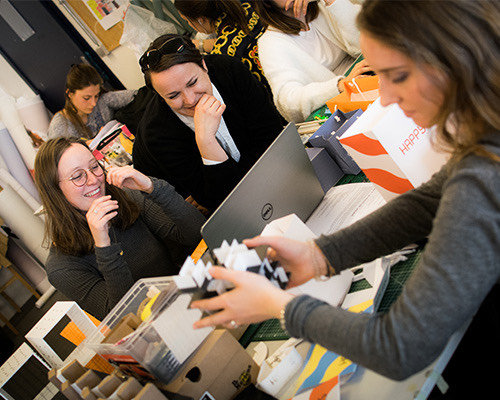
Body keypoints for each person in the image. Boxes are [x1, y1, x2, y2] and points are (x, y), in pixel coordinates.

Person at [190, 0, 500, 395]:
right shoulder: (485, 133)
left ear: (453, 60)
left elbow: (400, 346)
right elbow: (432, 200)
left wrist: (279, 306)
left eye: (397, 76)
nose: (384, 97)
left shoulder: (484, 177)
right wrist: (320, 256)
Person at [34, 137, 206, 320]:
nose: (93, 180)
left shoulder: (126, 198)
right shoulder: (61, 267)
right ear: (55, 191)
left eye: (94, 167)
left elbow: (196, 234)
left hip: (190, 296)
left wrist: (152, 187)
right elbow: (122, 315)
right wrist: (103, 245)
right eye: (77, 176)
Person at [131, 34, 284, 211]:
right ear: (160, 96)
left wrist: (229, 181)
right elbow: (220, 201)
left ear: (204, 66)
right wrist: (205, 140)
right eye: (173, 95)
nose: (190, 100)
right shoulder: (157, 133)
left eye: (192, 83)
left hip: (273, 179)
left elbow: (272, 138)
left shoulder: (228, 70)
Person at [254, 0, 372, 122]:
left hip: (369, 80)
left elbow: (371, 40)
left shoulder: (322, 6)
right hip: (341, 113)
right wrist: (339, 85)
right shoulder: (270, 42)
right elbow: (289, 104)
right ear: (266, 3)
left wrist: (332, 2)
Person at [173, 0, 270, 90]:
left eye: (187, 20)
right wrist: (200, 44)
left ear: (200, 20)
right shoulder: (248, 5)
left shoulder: (222, 58)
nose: (189, 24)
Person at [48, 64, 137, 139]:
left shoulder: (103, 100)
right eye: (86, 98)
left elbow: (138, 95)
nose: (93, 103)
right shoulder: (59, 127)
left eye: (96, 96)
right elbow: (54, 158)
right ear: (70, 94)